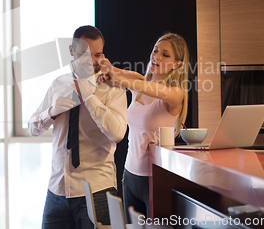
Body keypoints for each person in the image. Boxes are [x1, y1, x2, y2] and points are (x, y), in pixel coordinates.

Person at [28, 25, 128, 229]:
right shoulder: (59, 84)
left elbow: (117, 133)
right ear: (72, 52)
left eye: (97, 54)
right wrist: (51, 113)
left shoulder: (113, 88)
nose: (92, 61)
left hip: (98, 192)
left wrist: (89, 97)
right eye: (84, 54)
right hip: (57, 192)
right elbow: (32, 128)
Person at [100, 33, 189, 223]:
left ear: (177, 64)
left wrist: (119, 79)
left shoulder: (175, 94)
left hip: (155, 179)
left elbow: (156, 89)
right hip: (129, 175)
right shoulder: (140, 83)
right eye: (156, 50)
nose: (156, 56)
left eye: (165, 54)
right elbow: (115, 73)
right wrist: (104, 65)